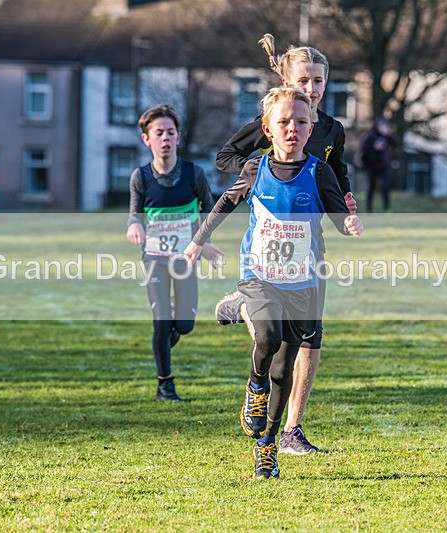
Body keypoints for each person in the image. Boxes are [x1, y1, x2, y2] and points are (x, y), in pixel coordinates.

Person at [184, 86, 363, 479]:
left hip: (303, 282)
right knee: (265, 337)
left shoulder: (320, 171)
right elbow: (226, 202)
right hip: (258, 274)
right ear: (267, 128)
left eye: (301, 121)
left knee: (285, 367)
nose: (293, 128)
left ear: (311, 124)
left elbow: (337, 216)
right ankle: (254, 386)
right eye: (283, 122)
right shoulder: (255, 169)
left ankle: (267, 446)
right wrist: (199, 239)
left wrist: (349, 223)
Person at [213, 33, 356, 455]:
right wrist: (263, 173)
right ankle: (245, 304)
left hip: (310, 246)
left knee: (312, 337)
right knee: (275, 338)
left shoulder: (330, 129)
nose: (311, 89)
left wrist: (344, 200)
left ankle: (293, 429)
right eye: (304, 80)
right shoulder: (279, 118)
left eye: (318, 81)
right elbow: (226, 157)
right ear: (288, 81)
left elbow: (338, 171)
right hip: (268, 244)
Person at [127, 104, 223, 402]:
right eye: (159, 133)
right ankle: (165, 385)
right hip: (154, 258)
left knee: (183, 324)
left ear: (178, 137)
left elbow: (210, 211)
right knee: (160, 319)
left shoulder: (194, 174)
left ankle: (170, 333)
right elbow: (134, 215)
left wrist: (204, 243)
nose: (165, 138)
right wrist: (135, 227)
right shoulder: (140, 178)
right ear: (147, 139)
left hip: (185, 258)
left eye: (170, 132)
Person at [359, 116, 398, 212]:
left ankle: (386, 208)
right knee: (371, 187)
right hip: (372, 165)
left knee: (385, 187)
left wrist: (389, 134)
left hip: (384, 165)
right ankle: (369, 209)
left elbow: (396, 144)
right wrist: (374, 148)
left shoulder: (386, 136)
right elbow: (363, 149)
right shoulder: (370, 136)